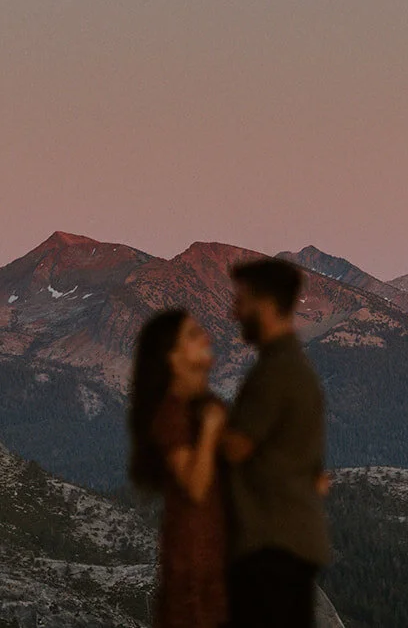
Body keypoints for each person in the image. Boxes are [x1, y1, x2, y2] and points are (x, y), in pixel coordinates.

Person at [221, 257, 331, 628]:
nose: (234, 311)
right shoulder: (295, 368)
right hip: (291, 543)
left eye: (242, 300)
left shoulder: (275, 373)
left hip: (269, 547)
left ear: (265, 305)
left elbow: (233, 449)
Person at [129, 308, 228, 628]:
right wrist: (212, 431)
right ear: (172, 357)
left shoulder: (195, 408)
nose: (206, 338)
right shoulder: (171, 415)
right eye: (193, 335)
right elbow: (195, 486)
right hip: (192, 577)